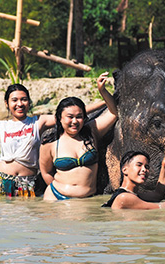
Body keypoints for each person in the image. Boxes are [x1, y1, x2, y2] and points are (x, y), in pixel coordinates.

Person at [40, 72, 118, 200]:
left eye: (79, 117)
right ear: (59, 118)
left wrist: (102, 90)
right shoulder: (50, 143)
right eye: (70, 117)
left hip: (87, 199)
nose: (75, 121)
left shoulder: (92, 132)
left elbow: (114, 113)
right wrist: (57, 193)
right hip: (56, 197)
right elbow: (46, 172)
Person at [102, 141, 165, 209]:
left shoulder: (133, 195)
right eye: (139, 165)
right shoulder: (124, 198)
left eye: (147, 167)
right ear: (125, 170)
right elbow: (162, 207)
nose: (144, 170)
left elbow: (158, 194)